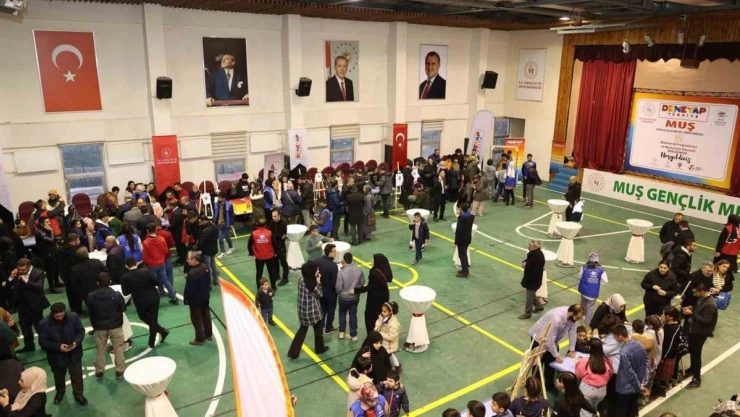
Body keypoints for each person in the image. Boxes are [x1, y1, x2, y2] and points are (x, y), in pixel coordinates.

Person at [37, 302, 87, 406]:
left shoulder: (73, 317)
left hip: (74, 354)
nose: (60, 318)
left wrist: (76, 342)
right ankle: (60, 393)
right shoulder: (44, 324)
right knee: (59, 378)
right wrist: (58, 347)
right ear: (52, 314)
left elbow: (80, 331)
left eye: (62, 315)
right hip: (57, 357)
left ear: (65, 312)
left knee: (77, 376)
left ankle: (78, 394)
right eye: (57, 316)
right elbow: (42, 342)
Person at [528, 305, 584, 392]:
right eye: (577, 318)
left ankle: (549, 385)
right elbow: (549, 340)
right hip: (539, 339)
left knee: (551, 363)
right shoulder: (556, 318)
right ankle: (536, 387)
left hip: (552, 339)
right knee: (538, 363)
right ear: (571, 313)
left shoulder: (572, 317)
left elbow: (573, 332)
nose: (577, 320)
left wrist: (571, 350)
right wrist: (557, 355)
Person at [121, 257, 169, 349]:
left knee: (145, 318)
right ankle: (161, 333)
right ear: (136, 263)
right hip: (153, 298)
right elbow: (157, 282)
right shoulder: (146, 271)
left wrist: (134, 288)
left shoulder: (125, 278)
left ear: (126, 266)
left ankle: (153, 340)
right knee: (153, 320)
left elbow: (125, 292)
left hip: (140, 301)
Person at [86, 273, 125, 380]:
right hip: (115, 325)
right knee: (118, 349)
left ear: (97, 282)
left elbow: (90, 311)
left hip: (99, 327)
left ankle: (99, 372)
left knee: (100, 350)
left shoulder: (91, 296)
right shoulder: (116, 295)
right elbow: (122, 308)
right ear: (110, 281)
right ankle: (119, 371)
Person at [287, 262, 329, 358]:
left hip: (303, 311)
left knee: (302, 330)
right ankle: (320, 349)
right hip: (313, 312)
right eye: (316, 270)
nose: (318, 271)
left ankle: (293, 352)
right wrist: (319, 283)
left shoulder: (301, 280)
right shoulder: (313, 285)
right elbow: (320, 295)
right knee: (318, 330)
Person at [8, 259, 50, 353]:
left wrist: (26, 281)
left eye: (23, 270)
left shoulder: (38, 273)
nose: (21, 271)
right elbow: (8, 287)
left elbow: (39, 287)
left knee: (39, 326)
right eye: (19, 269)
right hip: (22, 305)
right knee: (25, 327)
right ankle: (29, 346)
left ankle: (45, 345)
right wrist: (11, 277)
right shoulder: (17, 273)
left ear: (29, 266)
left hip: (35, 305)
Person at [684, 282, 718, 390]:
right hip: (694, 331)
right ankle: (692, 369)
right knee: (692, 350)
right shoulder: (702, 299)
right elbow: (699, 310)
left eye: (696, 292)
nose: (695, 294)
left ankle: (697, 379)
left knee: (696, 354)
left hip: (700, 333)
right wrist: (692, 308)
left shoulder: (710, 305)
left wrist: (692, 313)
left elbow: (706, 321)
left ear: (702, 291)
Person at [613, 324, 650, 417]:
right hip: (636, 386)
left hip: (625, 388)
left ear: (620, 336)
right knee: (633, 410)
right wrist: (643, 382)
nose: (614, 338)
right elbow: (646, 362)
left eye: (615, 336)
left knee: (621, 411)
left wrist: (640, 387)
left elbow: (629, 372)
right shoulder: (639, 344)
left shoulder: (624, 352)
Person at [353, 254, 394, 335]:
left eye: (373, 259)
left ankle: (372, 335)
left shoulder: (375, 273)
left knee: (370, 317)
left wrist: (355, 290)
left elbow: (369, 287)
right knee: (381, 315)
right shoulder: (383, 271)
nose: (371, 260)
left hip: (375, 299)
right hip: (384, 296)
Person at [575, 338, 613, 416]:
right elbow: (610, 375)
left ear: (590, 347)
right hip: (602, 391)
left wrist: (577, 364)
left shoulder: (585, 361)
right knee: (593, 409)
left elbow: (578, 375)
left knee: (585, 411)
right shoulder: (608, 361)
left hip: (587, 390)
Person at [143, 224, 178, 305]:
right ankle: (174, 297)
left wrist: (146, 263)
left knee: (151, 282)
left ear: (147, 231)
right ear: (156, 229)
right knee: (165, 280)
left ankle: (153, 300)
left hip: (151, 265)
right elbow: (166, 251)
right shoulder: (162, 239)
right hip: (161, 263)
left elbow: (145, 256)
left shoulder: (146, 242)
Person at [183, 253, 213, 345]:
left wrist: (186, 298)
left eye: (189, 259)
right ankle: (208, 334)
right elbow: (208, 281)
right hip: (205, 296)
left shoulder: (192, 273)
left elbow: (189, 288)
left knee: (196, 319)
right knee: (206, 316)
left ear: (195, 260)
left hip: (195, 300)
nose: (187, 260)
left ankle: (200, 339)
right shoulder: (205, 267)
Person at [336, 253, 364, 341]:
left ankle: (341, 332)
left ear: (344, 260)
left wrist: (340, 293)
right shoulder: (359, 271)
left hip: (343, 298)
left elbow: (338, 287)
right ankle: (353, 335)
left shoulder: (341, 273)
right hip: (354, 297)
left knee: (342, 313)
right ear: (352, 259)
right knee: (353, 315)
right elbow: (362, 283)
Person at [70, 247, 107, 314]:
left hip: (85, 293)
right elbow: (105, 272)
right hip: (99, 288)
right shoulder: (97, 262)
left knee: (92, 310)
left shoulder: (75, 269)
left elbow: (74, 284)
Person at [655, 306, 683, 391]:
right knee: (661, 371)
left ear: (671, 317)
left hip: (669, 355)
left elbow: (671, 344)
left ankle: (666, 384)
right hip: (664, 352)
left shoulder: (675, 328)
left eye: (665, 314)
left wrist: (664, 356)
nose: (663, 316)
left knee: (665, 372)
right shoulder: (667, 324)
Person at [247, 218, 279, 290]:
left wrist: (251, 253)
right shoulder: (270, 233)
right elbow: (274, 244)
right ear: (266, 225)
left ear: (258, 224)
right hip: (269, 256)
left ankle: (259, 287)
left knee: (259, 273)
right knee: (271, 272)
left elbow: (249, 244)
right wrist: (275, 252)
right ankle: (273, 286)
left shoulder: (253, 233)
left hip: (259, 257)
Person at [577, 252, 608, 325]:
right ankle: (587, 324)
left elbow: (580, 276)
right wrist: (598, 284)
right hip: (593, 293)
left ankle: (581, 316)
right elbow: (605, 281)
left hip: (583, 291)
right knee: (590, 308)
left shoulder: (584, 267)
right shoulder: (601, 270)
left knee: (582, 304)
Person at [34, 216, 61, 294]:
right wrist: (52, 231)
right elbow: (51, 240)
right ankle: (52, 288)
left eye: (49, 221)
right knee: (50, 271)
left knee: (56, 267)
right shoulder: (40, 232)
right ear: (42, 224)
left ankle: (56, 282)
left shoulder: (46, 230)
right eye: (47, 222)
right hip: (47, 254)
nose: (49, 223)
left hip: (52, 252)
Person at [315, 244, 339, 335]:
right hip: (331, 293)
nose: (336, 253)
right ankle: (329, 328)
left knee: (322, 310)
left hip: (320, 291)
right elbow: (334, 282)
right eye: (334, 251)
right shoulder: (333, 266)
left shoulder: (317, 261)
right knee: (331, 310)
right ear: (329, 253)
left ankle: (320, 329)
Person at [519, 239, 545, 319]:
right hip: (531, 279)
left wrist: (529, 281)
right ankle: (539, 306)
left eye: (530, 246)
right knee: (531, 294)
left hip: (533, 281)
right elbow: (528, 260)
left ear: (535, 247)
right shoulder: (533, 253)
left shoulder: (538, 257)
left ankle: (528, 313)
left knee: (529, 297)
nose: (528, 246)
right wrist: (524, 262)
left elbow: (535, 271)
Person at [375, 301, 402, 373]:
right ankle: (397, 366)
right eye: (382, 311)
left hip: (389, 344)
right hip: (383, 341)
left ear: (390, 312)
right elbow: (378, 321)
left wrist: (380, 334)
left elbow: (391, 337)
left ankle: (396, 367)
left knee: (390, 354)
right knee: (389, 355)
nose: (382, 313)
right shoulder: (382, 316)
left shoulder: (394, 324)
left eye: (385, 311)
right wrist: (377, 327)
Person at [196, 216, 221, 287]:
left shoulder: (205, 230)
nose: (200, 224)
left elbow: (202, 242)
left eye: (200, 222)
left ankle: (209, 283)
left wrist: (198, 248)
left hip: (206, 251)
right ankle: (215, 280)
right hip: (214, 249)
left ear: (204, 221)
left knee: (207, 267)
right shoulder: (215, 227)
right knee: (213, 265)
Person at [269, 210, 291, 287]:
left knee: (283, 263)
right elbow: (271, 233)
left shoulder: (283, 224)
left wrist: (275, 235)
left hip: (280, 246)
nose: (273, 218)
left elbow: (280, 235)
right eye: (272, 216)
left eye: (275, 216)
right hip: (273, 246)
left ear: (279, 216)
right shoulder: (271, 223)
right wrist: (276, 236)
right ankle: (277, 275)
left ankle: (285, 278)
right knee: (275, 262)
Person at [454, 203, 474, 278]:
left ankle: (465, 271)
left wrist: (456, 242)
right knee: (464, 255)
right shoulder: (470, 217)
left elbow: (459, 231)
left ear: (461, 210)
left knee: (462, 256)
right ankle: (464, 269)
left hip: (461, 240)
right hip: (467, 238)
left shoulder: (462, 219)